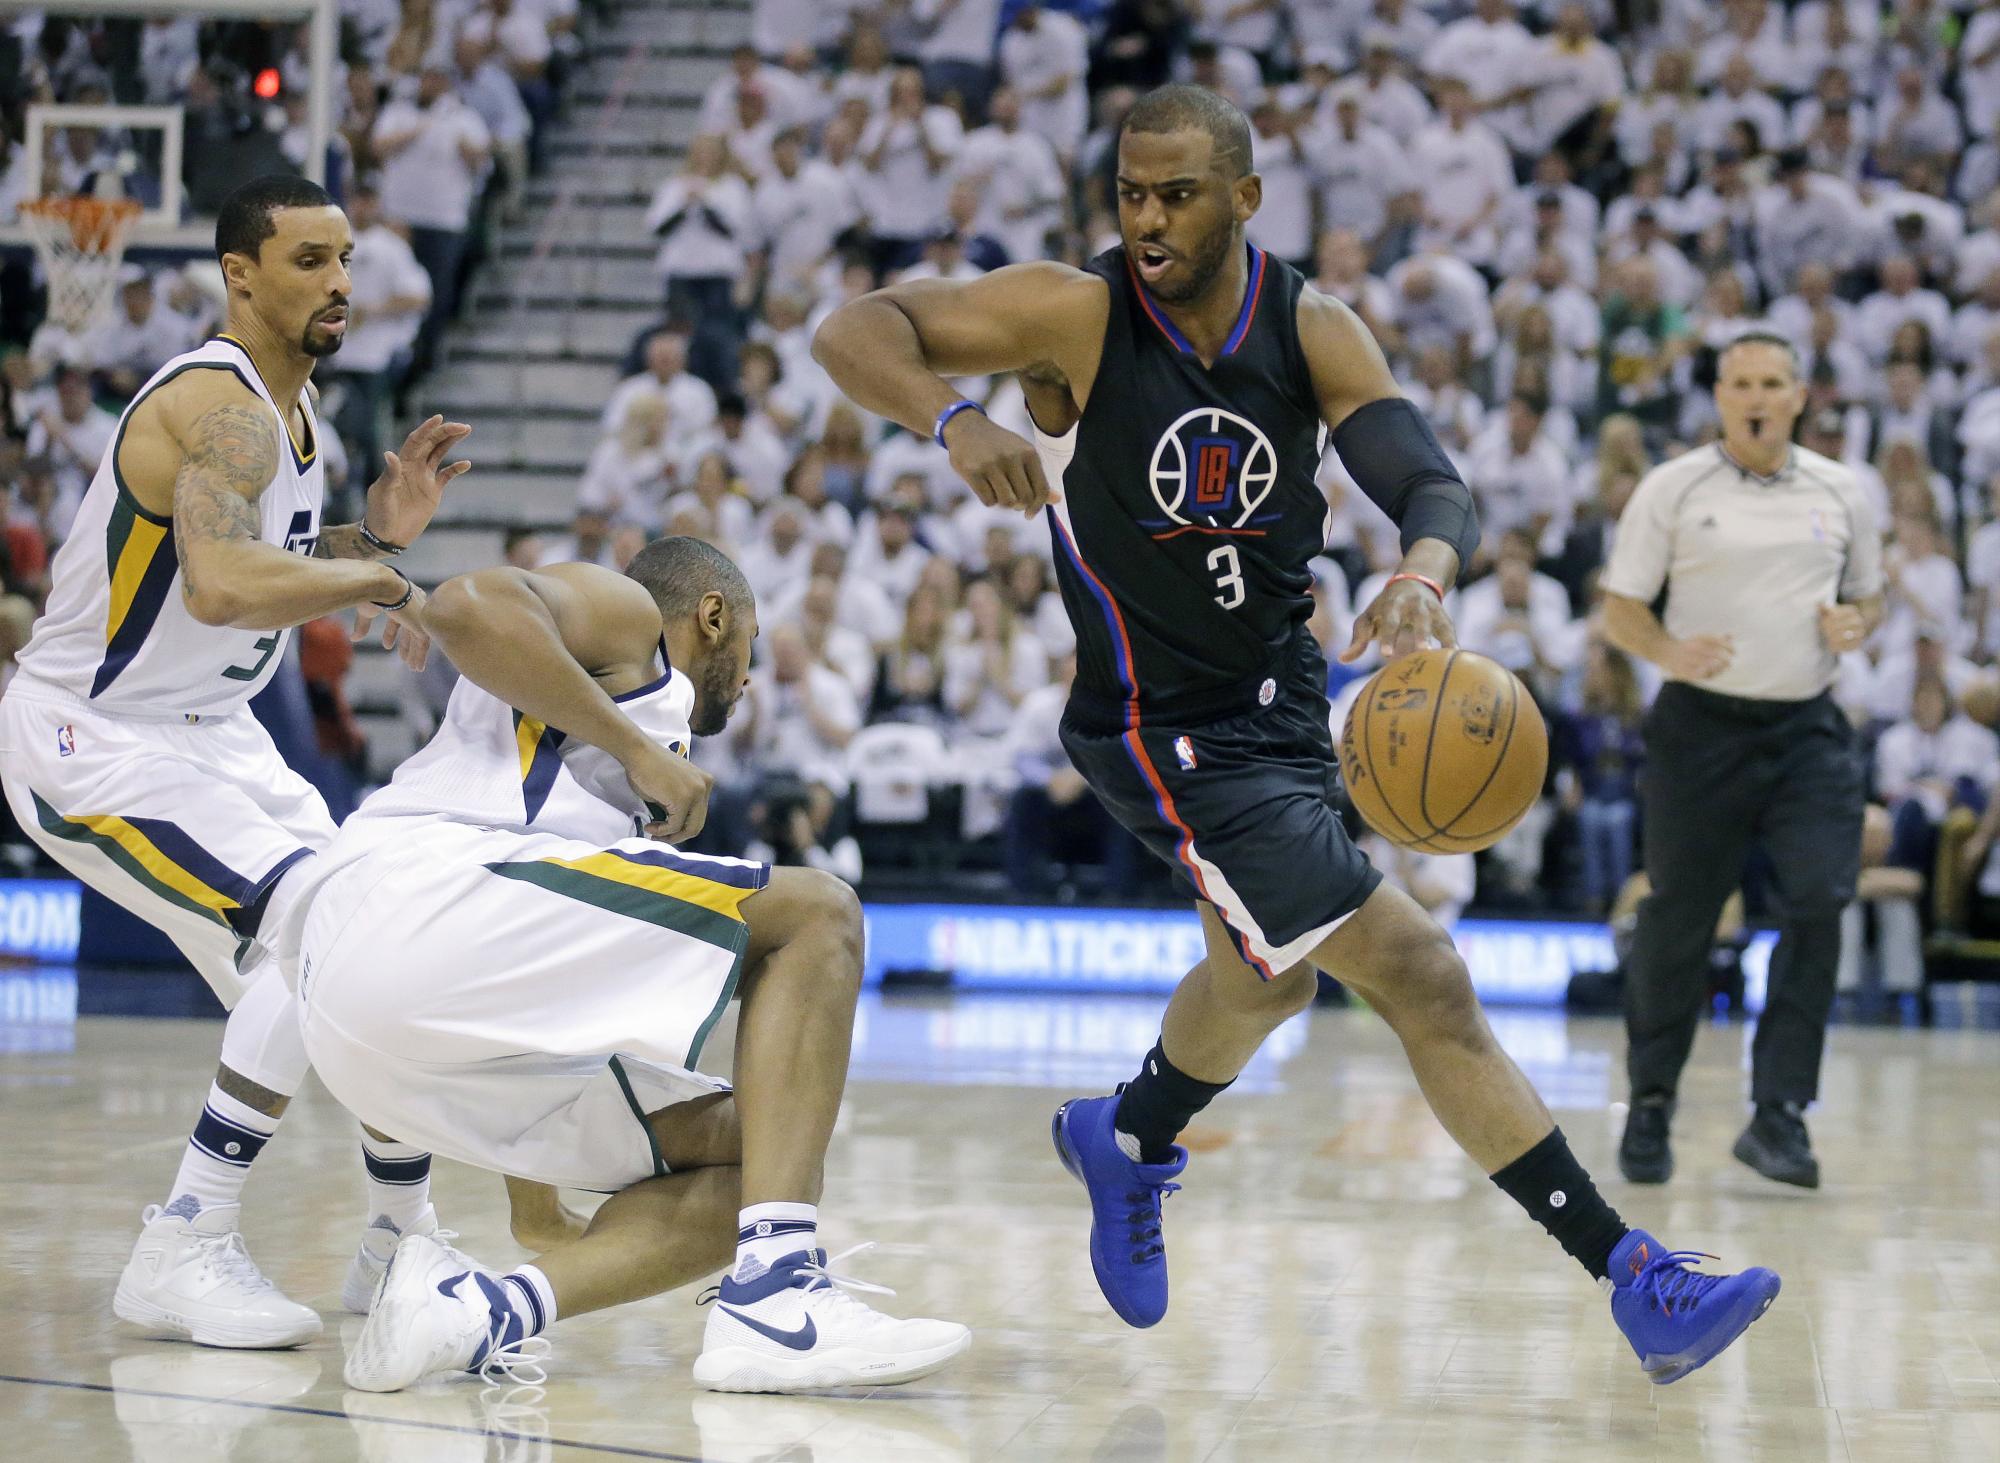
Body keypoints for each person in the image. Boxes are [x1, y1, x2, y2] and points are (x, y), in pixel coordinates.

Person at [813, 84, 1779, 1384]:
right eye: (1130, 194)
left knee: (1269, 979)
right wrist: (957, 418)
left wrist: (1423, 569)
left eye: (1177, 195)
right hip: (1161, 726)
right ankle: (1633, 1275)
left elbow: (1428, 479)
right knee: (1421, 974)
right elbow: (852, 326)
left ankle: (1127, 1131)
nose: (1148, 220)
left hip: (1281, 702)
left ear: (1246, 198)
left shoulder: (1308, 326)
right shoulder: (1075, 312)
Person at [0, 176, 560, 1350]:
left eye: (345, 258)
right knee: (318, 924)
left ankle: (399, 1240)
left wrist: (375, 537)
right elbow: (220, 583)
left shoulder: (301, 423)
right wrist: (380, 578)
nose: (340, 282)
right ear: (239, 276)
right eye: (309, 260)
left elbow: (258, 551)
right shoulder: (225, 407)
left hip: (214, 735)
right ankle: (183, 1240)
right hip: (97, 737)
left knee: (372, 940)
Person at [285, 536, 967, 1392]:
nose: (748, 677)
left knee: (770, 1152)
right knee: (820, 915)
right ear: (713, 616)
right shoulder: (629, 615)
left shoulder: (605, 736)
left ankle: (479, 1311)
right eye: (749, 645)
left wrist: (536, 1202)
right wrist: (637, 750)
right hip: (412, 899)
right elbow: (463, 604)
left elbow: (538, 971)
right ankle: (777, 1296)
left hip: (385, 1036)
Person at [1601, 331, 1885, 1191]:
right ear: (1720, 397)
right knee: (1679, 918)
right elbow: (1620, 608)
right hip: (1700, 729)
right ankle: (1652, 1101)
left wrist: (1856, 622)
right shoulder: (1673, 486)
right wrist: (1668, 651)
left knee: (1821, 898)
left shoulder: (1842, 489)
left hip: (1807, 727)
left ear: (1800, 396)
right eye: (1741, 383)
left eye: (1772, 382)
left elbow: (1868, 596)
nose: (1757, 397)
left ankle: (1779, 1114)